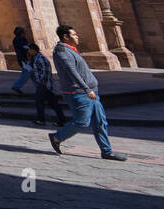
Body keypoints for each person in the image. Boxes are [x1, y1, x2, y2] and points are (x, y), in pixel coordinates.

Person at [48, 25, 126, 160]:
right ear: (65, 37)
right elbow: (72, 72)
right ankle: (57, 137)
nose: (77, 36)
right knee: (82, 121)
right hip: (79, 92)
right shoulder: (62, 51)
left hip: (91, 92)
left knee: (100, 122)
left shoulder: (70, 49)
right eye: (74, 34)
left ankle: (107, 151)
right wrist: (86, 89)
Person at [28, 41, 66, 127]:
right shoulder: (35, 58)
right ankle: (62, 120)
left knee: (39, 101)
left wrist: (41, 82)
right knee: (53, 103)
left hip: (44, 85)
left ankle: (41, 119)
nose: (29, 52)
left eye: (30, 50)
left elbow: (45, 71)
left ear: (33, 50)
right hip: (45, 85)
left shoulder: (40, 58)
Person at [10, 26, 32, 95]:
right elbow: (22, 48)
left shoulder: (22, 39)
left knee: (31, 72)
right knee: (26, 73)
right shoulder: (18, 40)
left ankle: (40, 86)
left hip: (25, 58)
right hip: (23, 59)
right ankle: (16, 86)